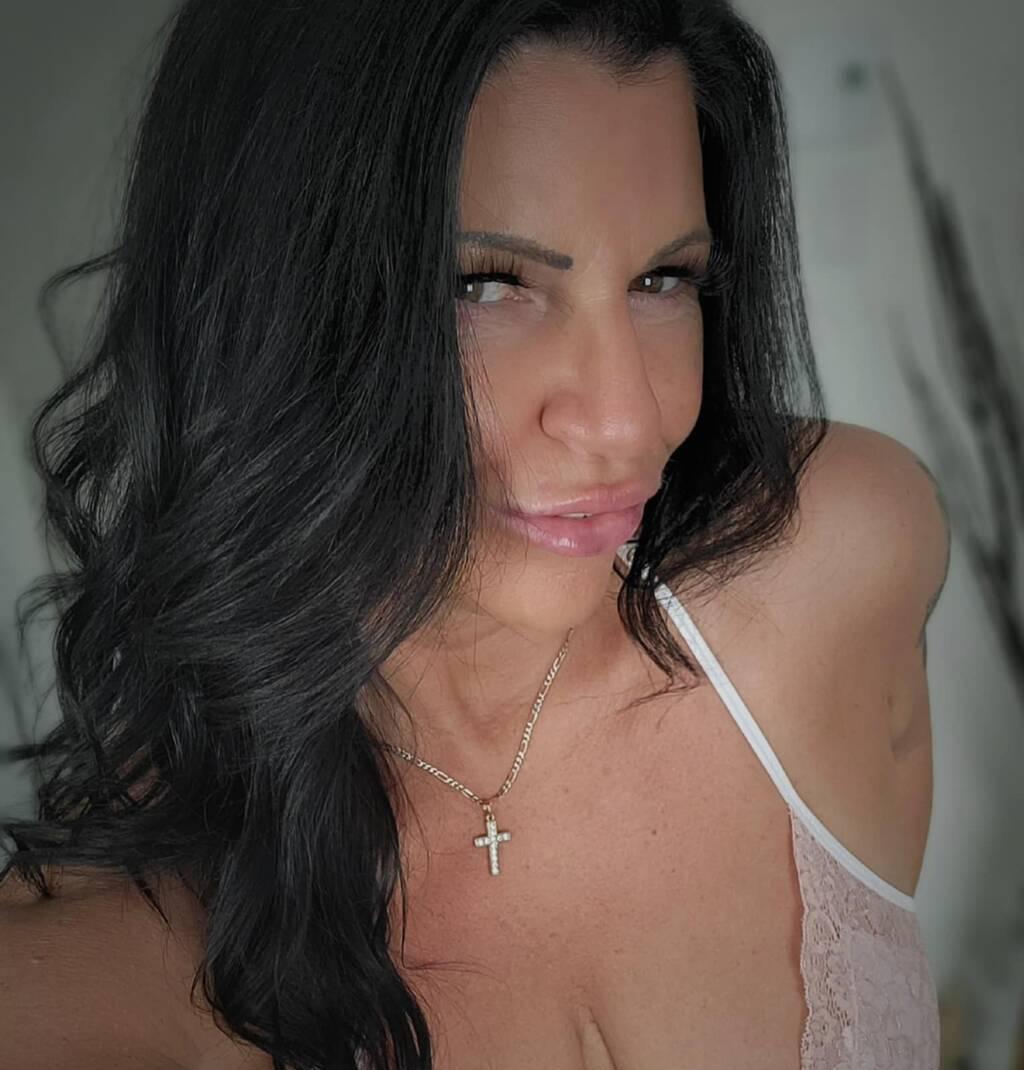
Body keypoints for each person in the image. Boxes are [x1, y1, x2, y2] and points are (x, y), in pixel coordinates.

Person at [0, 1, 951, 1068]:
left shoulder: (838, 568)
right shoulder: (83, 984)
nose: (628, 421)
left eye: (662, 279)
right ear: (266, 308)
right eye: (487, 284)